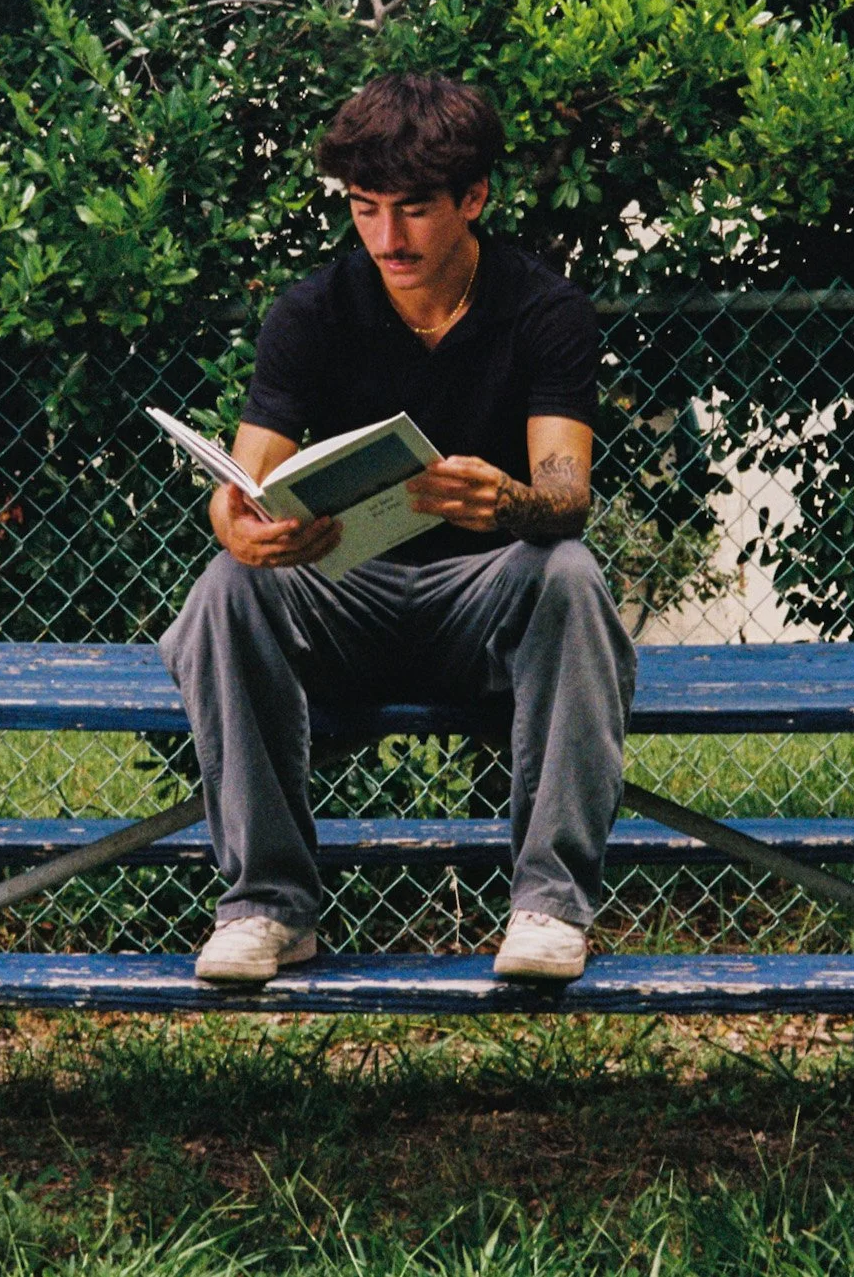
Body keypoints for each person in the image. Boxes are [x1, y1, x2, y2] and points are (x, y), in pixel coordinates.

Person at [158, 73, 636, 985]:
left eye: (413, 211)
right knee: (226, 588)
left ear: (474, 198)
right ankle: (268, 908)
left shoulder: (544, 311)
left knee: (569, 571)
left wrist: (511, 503)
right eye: (364, 209)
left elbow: (567, 494)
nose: (386, 238)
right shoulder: (311, 311)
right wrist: (240, 527)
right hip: (347, 592)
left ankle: (550, 906)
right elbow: (242, 482)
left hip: (484, 600)